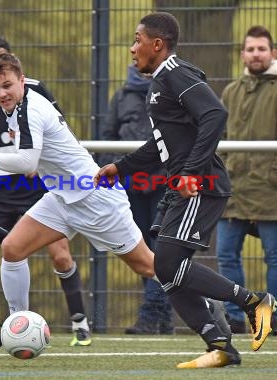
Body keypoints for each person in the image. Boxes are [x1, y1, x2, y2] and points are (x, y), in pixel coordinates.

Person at [0, 52, 233, 357]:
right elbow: (35, 160)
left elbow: (26, 163)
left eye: (7, 85)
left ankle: (209, 303)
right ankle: (15, 325)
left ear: (22, 81)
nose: (1, 94)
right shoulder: (18, 106)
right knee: (11, 248)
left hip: (95, 200)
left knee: (148, 265)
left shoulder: (30, 109)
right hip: (63, 197)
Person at [95, 12, 277, 368]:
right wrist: (122, 166)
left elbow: (215, 114)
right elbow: (160, 143)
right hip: (182, 187)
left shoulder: (175, 74)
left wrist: (192, 172)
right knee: (165, 268)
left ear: (157, 44)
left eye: (137, 40)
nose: (133, 49)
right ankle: (221, 345)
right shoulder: (159, 83)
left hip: (201, 186)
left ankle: (254, 303)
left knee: (167, 263)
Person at [0, 36, 91, 347]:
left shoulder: (33, 92)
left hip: (38, 186)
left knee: (61, 254)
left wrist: (37, 160)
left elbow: (59, 129)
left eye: (0, 62)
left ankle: (80, 323)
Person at [216, 25, 277, 335]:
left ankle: (272, 316)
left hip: (269, 190)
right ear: (243, 53)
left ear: (273, 53)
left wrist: (274, 177)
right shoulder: (231, 90)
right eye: (251, 49)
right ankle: (236, 316)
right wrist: (226, 172)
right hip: (234, 188)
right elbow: (223, 137)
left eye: (261, 49)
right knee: (226, 253)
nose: (256, 54)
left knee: (275, 255)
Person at [98, 64, 173, 335]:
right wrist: (109, 172)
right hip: (130, 184)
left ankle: (151, 315)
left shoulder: (171, 90)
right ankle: (163, 318)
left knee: (162, 247)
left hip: (165, 182)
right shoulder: (122, 96)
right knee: (141, 249)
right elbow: (108, 135)